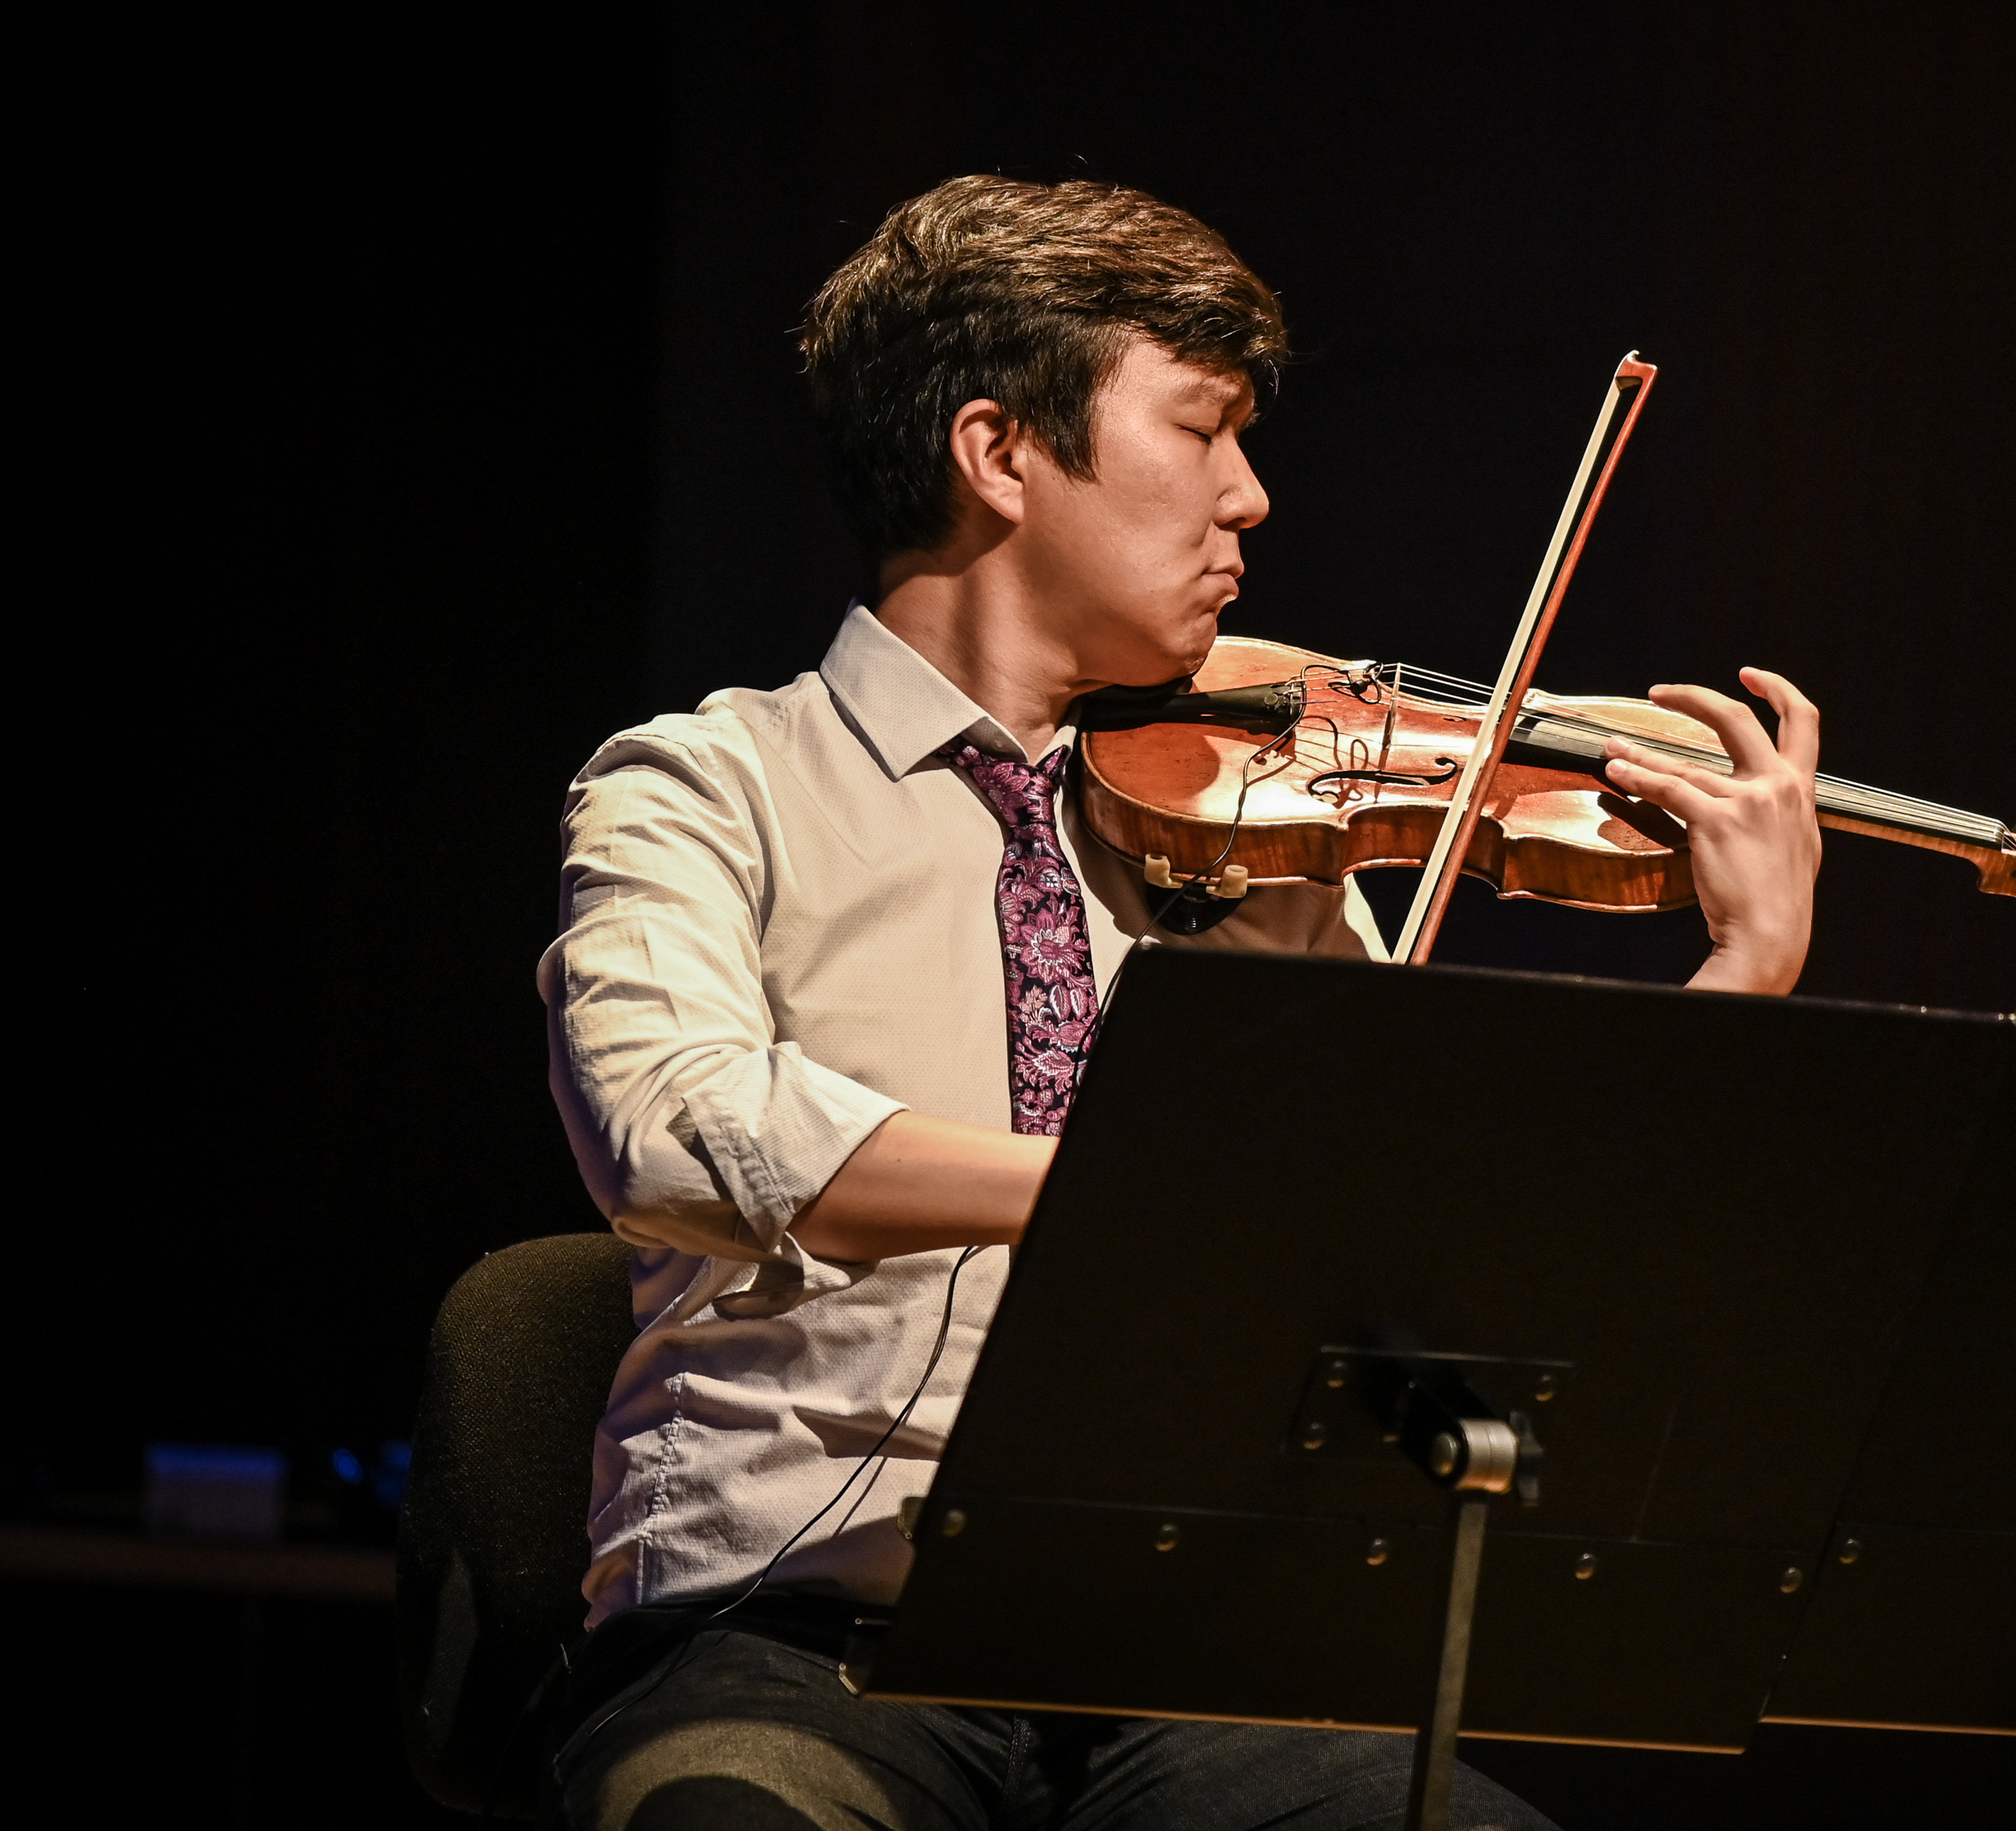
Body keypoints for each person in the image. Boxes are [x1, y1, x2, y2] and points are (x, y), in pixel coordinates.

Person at [539, 174, 1826, 1830]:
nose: (1250, 495)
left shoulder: (1254, 832)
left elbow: (1453, 1229)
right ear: (998, 452)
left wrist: (1741, 974)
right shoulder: (710, 784)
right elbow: (675, 1125)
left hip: (1184, 1671)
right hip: (792, 1643)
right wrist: (1130, 1184)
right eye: (1202, 428)